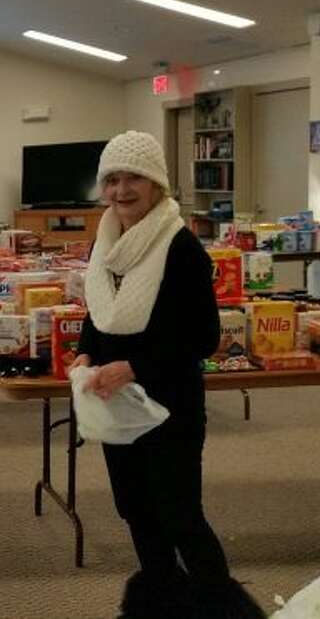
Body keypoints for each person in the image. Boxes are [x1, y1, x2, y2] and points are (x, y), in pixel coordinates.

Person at [72, 131, 264, 618]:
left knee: (179, 516)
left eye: (133, 177)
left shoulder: (180, 248)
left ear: (156, 182)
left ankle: (224, 610)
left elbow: (202, 336)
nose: (121, 190)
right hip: (118, 405)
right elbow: (100, 312)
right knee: (135, 509)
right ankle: (161, 604)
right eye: (111, 179)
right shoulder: (107, 238)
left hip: (170, 404)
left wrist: (133, 366)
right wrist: (84, 354)